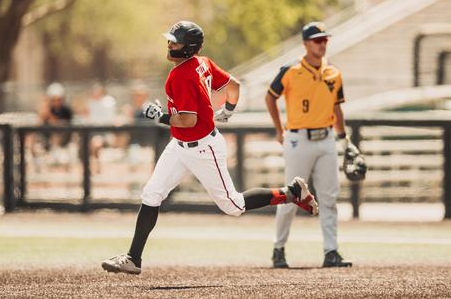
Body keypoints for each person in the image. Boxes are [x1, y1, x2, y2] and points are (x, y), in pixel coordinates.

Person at [101, 20, 319, 275]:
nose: (170, 44)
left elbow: (188, 119)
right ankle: (133, 259)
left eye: (175, 41)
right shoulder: (202, 62)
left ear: (187, 47)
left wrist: (159, 116)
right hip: (181, 145)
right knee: (151, 194)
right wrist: (228, 110)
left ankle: (292, 192)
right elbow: (234, 86)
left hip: (203, 148)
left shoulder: (180, 75)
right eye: (170, 39)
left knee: (234, 206)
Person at [265, 22, 352, 268]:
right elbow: (270, 97)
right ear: (305, 43)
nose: (322, 44)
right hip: (298, 138)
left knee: (329, 197)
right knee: (291, 195)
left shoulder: (334, 72)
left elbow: (337, 107)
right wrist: (279, 131)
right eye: (317, 40)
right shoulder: (290, 70)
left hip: (325, 138)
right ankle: (278, 249)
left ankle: (331, 251)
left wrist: (344, 138)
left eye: (324, 39)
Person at [38, 82, 73, 150]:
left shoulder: (66, 111)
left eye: (58, 100)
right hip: (47, 141)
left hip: (63, 142)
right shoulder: (47, 109)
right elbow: (39, 124)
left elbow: (60, 126)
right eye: (53, 100)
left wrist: (49, 114)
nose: (56, 102)